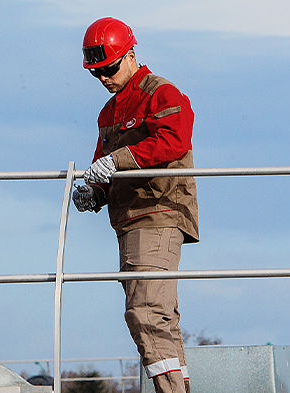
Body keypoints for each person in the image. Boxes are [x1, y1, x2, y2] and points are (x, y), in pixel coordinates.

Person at [70, 17, 199, 393]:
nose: (103, 79)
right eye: (95, 73)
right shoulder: (109, 113)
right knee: (159, 317)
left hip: (159, 212)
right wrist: (93, 193)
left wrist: (118, 161)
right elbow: (104, 169)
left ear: (131, 55)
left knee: (144, 312)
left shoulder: (162, 94)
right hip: (129, 221)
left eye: (108, 69)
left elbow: (174, 140)